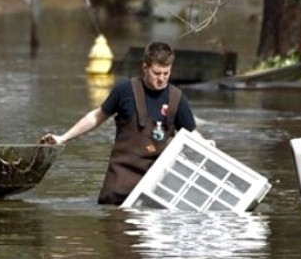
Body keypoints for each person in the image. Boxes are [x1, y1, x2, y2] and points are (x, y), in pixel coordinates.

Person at [42, 41, 212, 205]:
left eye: (166, 73)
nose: (161, 79)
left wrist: (204, 144)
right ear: (145, 67)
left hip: (153, 186)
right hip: (119, 184)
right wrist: (63, 138)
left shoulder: (177, 99)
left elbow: (191, 133)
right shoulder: (124, 90)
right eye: (156, 73)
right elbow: (96, 117)